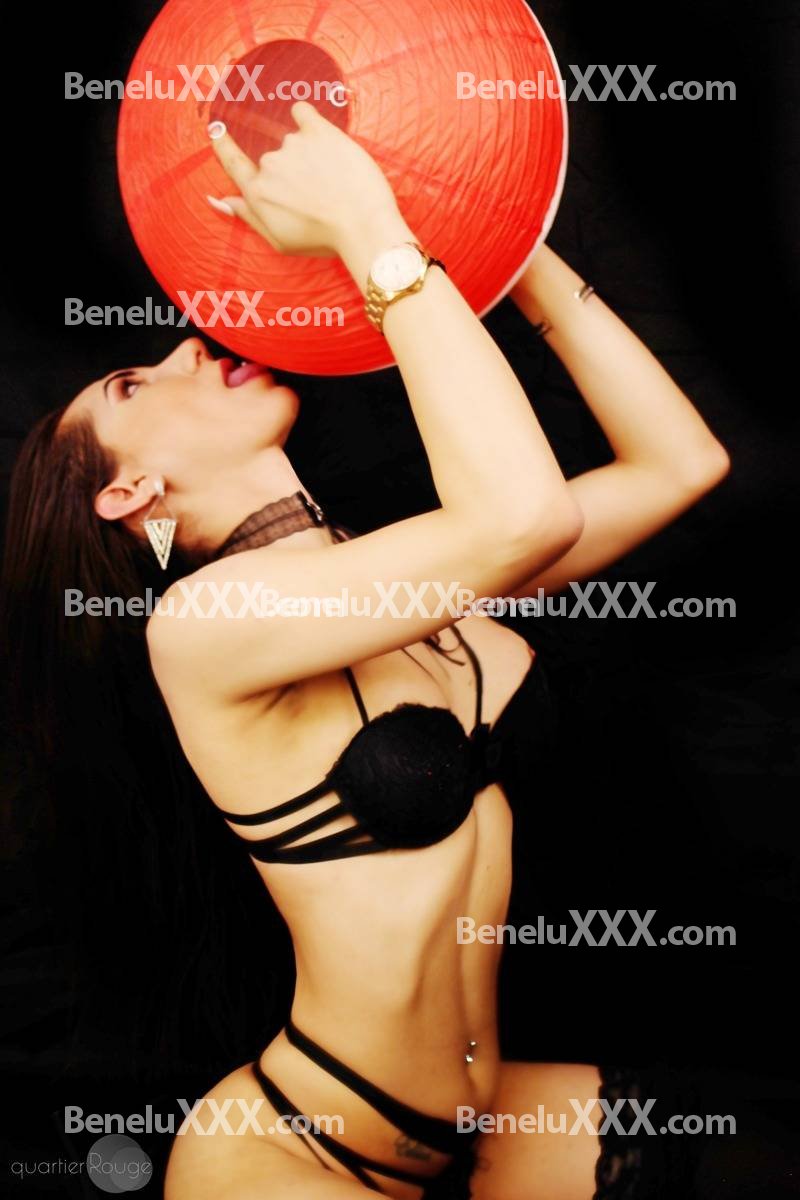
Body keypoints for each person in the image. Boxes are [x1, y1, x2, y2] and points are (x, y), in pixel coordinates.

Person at [2, 102, 729, 1199]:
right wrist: (364, 223)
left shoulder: (404, 578)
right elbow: (523, 517)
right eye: (132, 384)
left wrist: (504, 245)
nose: (185, 347)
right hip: (294, 1152)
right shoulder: (200, 628)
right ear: (130, 492)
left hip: (484, 1128)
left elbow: (679, 463)